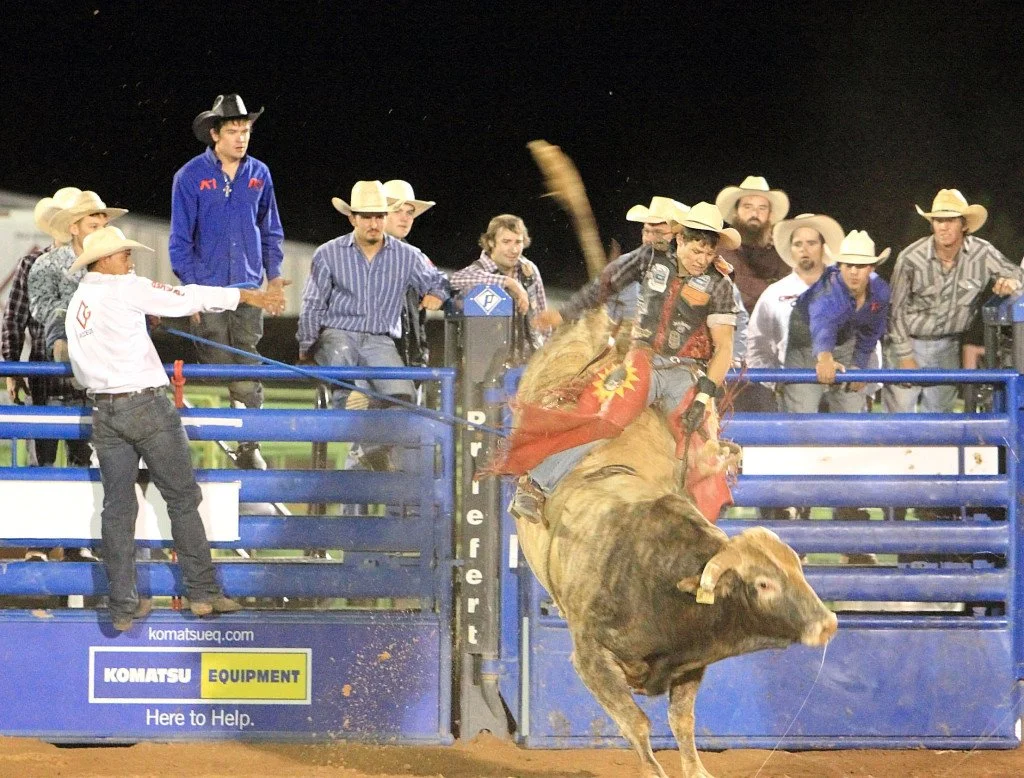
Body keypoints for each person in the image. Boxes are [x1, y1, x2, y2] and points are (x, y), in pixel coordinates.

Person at [64, 226, 287, 631]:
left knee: (117, 509)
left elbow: (83, 365)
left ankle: (122, 604)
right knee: (182, 497)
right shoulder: (126, 288)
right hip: (146, 405)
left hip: (105, 411)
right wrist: (247, 296)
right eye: (124, 254)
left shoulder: (80, 300)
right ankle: (202, 592)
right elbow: (187, 297)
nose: (130, 260)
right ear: (105, 260)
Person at [513, 202, 742, 522]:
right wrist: (565, 313)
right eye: (696, 250)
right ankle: (536, 484)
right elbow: (606, 284)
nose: (701, 259)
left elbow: (724, 347)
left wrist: (704, 396)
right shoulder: (649, 258)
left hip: (686, 370)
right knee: (607, 417)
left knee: (702, 446)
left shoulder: (720, 284)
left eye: (708, 253)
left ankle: (703, 524)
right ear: (680, 239)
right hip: (643, 360)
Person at [169, 94, 286, 469]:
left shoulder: (260, 174)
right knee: (219, 361)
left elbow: (270, 229)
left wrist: (275, 277)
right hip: (208, 289)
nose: (241, 137)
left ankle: (248, 443)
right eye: (234, 130)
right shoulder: (190, 176)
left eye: (246, 130)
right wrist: (192, 291)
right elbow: (180, 241)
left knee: (246, 359)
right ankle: (236, 437)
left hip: (249, 288)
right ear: (215, 134)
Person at [297, 180, 450, 417]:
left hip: (379, 339)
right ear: (353, 219)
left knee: (403, 397)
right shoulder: (328, 253)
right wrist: (307, 345)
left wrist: (437, 293)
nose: (374, 224)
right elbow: (313, 304)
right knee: (342, 366)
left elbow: (439, 280)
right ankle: (353, 399)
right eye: (366, 217)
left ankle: (366, 408)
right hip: (339, 333)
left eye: (379, 216)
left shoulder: (407, 256)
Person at [885, 189, 1023, 413]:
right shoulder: (910, 258)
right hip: (908, 342)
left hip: (948, 347)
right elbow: (894, 310)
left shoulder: (983, 253)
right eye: (938, 220)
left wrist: (1011, 282)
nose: (943, 227)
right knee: (899, 417)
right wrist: (904, 355)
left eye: (950, 220)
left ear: (964, 225)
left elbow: (1018, 275)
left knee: (941, 418)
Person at [28, 189, 128, 476]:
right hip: (55, 380)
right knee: (44, 458)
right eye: (93, 226)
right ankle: (71, 355)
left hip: (98, 377)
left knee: (84, 460)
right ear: (74, 228)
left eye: (103, 226)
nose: (100, 232)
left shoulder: (112, 262)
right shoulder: (46, 264)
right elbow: (41, 307)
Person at [3, 188, 82, 467]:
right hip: (52, 382)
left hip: (67, 384)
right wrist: (12, 368)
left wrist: (12, 369)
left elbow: (14, 319)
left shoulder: (91, 267)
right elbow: (14, 319)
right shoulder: (32, 264)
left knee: (65, 465)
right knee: (56, 464)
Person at [783, 230, 891, 412]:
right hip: (805, 345)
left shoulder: (880, 292)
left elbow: (870, 332)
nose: (854, 272)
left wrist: (858, 365)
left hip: (847, 343)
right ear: (839, 266)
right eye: (848, 265)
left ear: (871, 268)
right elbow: (822, 325)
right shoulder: (827, 292)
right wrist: (825, 358)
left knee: (850, 411)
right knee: (802, 414)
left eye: (860, 266)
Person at [748, 213, 845, 389]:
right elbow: (756, 344)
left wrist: (866, 383)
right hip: (793, 383)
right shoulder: (774, 293)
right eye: (798, 244)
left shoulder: (844, 289)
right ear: (791, 249)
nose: (804, 249)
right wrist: (773, 383)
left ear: (823, 247)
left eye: (811, 243)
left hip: (842, 381)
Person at [450, 214, 549, 360]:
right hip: (489, 366)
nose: (514, 250)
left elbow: (543, 319)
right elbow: (454, 280)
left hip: (530, 363)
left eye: (518, 242)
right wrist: (509, 283)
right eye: (506, 242)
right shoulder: (479, 271)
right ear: (491, 242)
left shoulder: (529, 270)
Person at [382, 179, 443, 377]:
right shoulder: (355, 253)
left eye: (409, 213)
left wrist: (437, 292)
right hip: (371, 358)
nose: (405, 218)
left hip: (410, 357)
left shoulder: (416, 257)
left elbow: (441, 281)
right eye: (397, 211)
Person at [715, 175, 790, 314]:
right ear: (736, 212)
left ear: (770, 214)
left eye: (762, 208)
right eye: (747, 206)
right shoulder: (719, 250)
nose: (755, 213)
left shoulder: (782, 257)